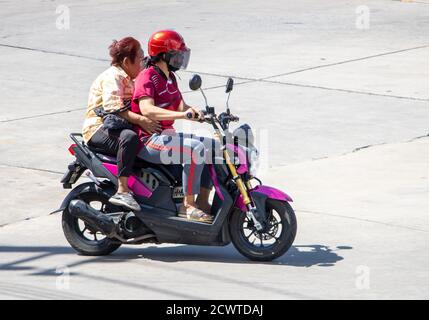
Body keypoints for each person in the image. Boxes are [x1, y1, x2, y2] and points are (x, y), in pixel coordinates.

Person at [131, 30, 216, 223]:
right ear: (163, 55)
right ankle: (188, 206)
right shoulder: (147, 76)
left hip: (166, 136)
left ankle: (203, 201)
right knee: (195, 150)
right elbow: (147, 110)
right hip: (148, 140)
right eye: (176, 55)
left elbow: (181, 106)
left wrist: (198, 113)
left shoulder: (170, 77)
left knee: (212, 146)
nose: (179, 59)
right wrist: (181, 115)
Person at [82, 37, 161, 211]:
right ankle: (123, 190)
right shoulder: (113, 77)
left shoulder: (132, 78)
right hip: (98, 128)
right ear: (127, 61)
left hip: (118, 126)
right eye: (140, 59)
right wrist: (142, 120)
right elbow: (114, 109)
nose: (143, 63)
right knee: (130, 138)